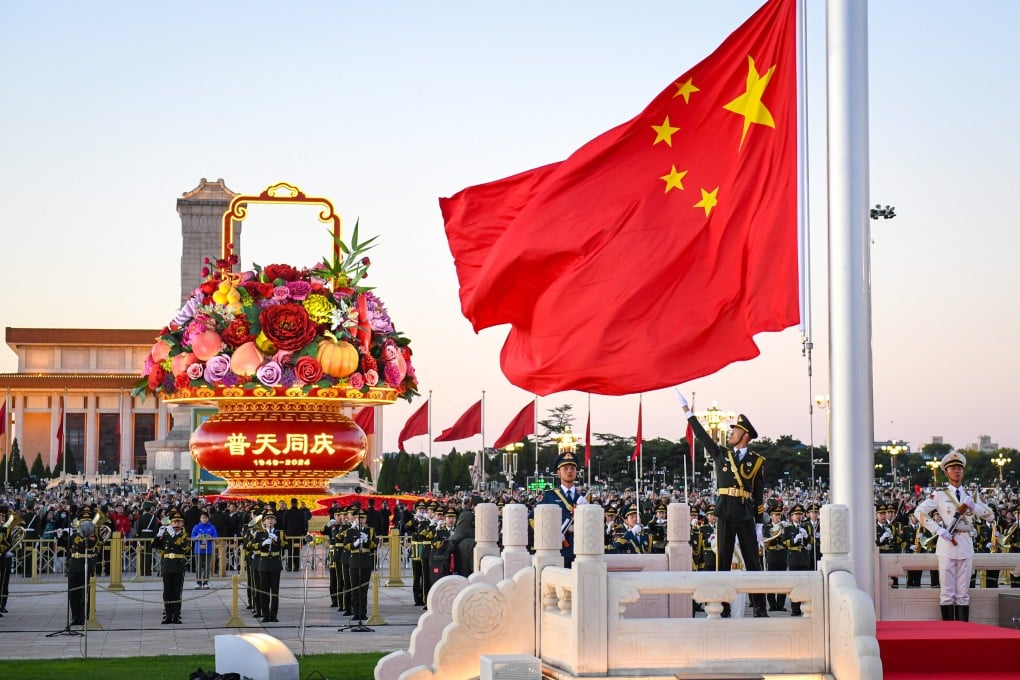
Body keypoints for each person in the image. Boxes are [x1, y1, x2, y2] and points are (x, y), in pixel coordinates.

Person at [678, 391, 768, 618]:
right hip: (726, 511)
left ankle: (760, 607)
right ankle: (724, 604)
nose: (731, 434)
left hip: (746, 514)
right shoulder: (721, 454)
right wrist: (689, 413)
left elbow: (758, 494)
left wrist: (759, 525)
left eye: (735, 431)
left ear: (745, 435)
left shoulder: (756, 461)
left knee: (753, 564)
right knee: (723, 561)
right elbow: (702, 436)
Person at [914, 450, 994, 621]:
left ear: (963, 471)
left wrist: (974, 507)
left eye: (959, 468)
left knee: (963, 592)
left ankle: (964, 631)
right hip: (947, 543)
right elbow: (919, 511)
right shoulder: (940, 494)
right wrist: (938, 530)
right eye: (953, 468)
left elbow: (991, 516)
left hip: (965, 543)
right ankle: (949, 632)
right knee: (947, 592)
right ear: (946, 472)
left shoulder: (971, 495)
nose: (957, 471)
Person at [539, 449, 587, 568]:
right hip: (558, 551)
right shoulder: (550, 496)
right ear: (558, 473)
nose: (569, 471)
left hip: (581, 551)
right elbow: (534, 520)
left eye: (572, 468)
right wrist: (553, 532)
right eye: (565, 468)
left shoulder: (583, 498)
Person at [59, 506, 105, 626]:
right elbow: (67, 546)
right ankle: (75, 616)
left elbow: (88, 543)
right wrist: (61, 536)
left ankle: (85, 614)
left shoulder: (92, 534)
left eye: (87, 521)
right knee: (73, 590)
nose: (84, 523)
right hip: (74, 563)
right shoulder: (74, 534)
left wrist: (80, 535)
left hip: (86, 562)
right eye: (82, 521)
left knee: (85, 591)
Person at [153, 510, 188, 624]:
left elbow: (187, 548)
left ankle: (176, 616)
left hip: (178, 565)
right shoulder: (165, 533)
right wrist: (158, 536)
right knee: (167, 591)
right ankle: (168, 615)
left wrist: (177, 537)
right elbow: (155, 545)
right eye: (174, 522)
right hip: (167, 564)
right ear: (171, 523)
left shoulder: (183, 535)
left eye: (179, 522)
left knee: (177, 591)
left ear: (182, 524)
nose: (177, 524)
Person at [782, 503, 814, 616]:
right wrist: (793, 540)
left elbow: (813, 541)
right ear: (791, 516)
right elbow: (784, 542)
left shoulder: (806, 527)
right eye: (796, 515)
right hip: (794, 559)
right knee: (795, 585)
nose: (799, 516)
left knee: (804, 584)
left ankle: (804, 607)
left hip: (804, 559)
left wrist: (807, 537)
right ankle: (795, 608)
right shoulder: (787, 528)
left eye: (800, 514)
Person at [344, 508, 376, 621]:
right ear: (355, 519)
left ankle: (363, 612)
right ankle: (355, 612)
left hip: (365, 561)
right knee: (354, 589)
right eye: (358, 518)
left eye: (362, 518)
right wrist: (355, 544)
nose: (360, 520)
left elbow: (374, 546)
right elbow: (346, 546)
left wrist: (366, 541)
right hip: (354, 562)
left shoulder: (370, 531)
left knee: (364, 589)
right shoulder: (350, 531)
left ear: (366, 519)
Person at [254, 510, 283, 622]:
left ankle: (273, 615)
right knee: (264, 591)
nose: (269, 521)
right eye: (267, 519)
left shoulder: (279, 532)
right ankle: (265, 614)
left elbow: (284, 545)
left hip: (275, 563)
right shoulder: (259, 533)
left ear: (275, 521)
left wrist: (276, 539)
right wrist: (262, 543)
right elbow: (253, 546)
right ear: (264, 522)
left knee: (275, 592)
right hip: (264, 563)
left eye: (272, 519)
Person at [190, 510, 217, 589]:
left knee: (207, 566)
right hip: (198, 550)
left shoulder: (212, 527)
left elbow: (215, 537)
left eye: (205, 518)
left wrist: (210, 537)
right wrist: (196, 537)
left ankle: (205, 582)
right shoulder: (196, 527)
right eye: (202, 518)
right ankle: (198, 582)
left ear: (208, 518)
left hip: (208, 550)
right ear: (200, 518)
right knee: (198, 566)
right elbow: (192, 537)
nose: (204, 519)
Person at [134, 501, 158, 576]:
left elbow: (138, 528)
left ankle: (142, 571)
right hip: (150, 536)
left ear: (144, 509)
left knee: (142, 554)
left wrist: (138, 536)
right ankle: (148, 571)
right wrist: (154, 537)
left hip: (142, 537)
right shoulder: (153, 518)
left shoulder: (140, 517)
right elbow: (155, 529)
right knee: (149, 554)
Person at [0, 506, 13, 615]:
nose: (3, 518)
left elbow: (10, 543)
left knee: (4, 582)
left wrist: (5, 543)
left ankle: (2, 605)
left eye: (4, 516)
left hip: (4, 556)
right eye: (1, 515)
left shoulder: (7, 528)